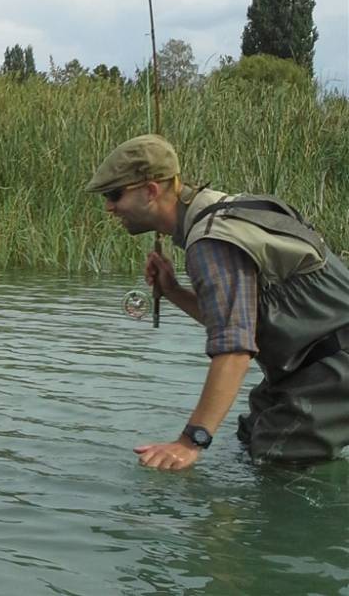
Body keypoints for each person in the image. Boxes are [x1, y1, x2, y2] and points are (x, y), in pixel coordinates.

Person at [85, 134, 349, 469]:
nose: (109, 207)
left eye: (114, 194)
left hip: (331, 371)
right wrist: (174, 291)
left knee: (276, 461)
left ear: (150, 191)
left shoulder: (211, 242)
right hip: (310, 367)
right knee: (250, 437)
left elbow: (235, 350)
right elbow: (242, 322)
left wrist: (190, 442)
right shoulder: (224, 212)